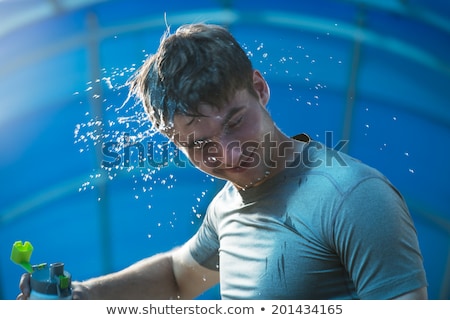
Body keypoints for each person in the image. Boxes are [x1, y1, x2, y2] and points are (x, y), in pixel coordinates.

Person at [18, 23, 428, 300]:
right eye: (200, 146)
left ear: (259, 87)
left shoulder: (353, 198)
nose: (229, 154)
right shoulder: (227, 206)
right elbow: (178, 276)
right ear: (174, 144)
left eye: (235, 121)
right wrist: (78, 296)